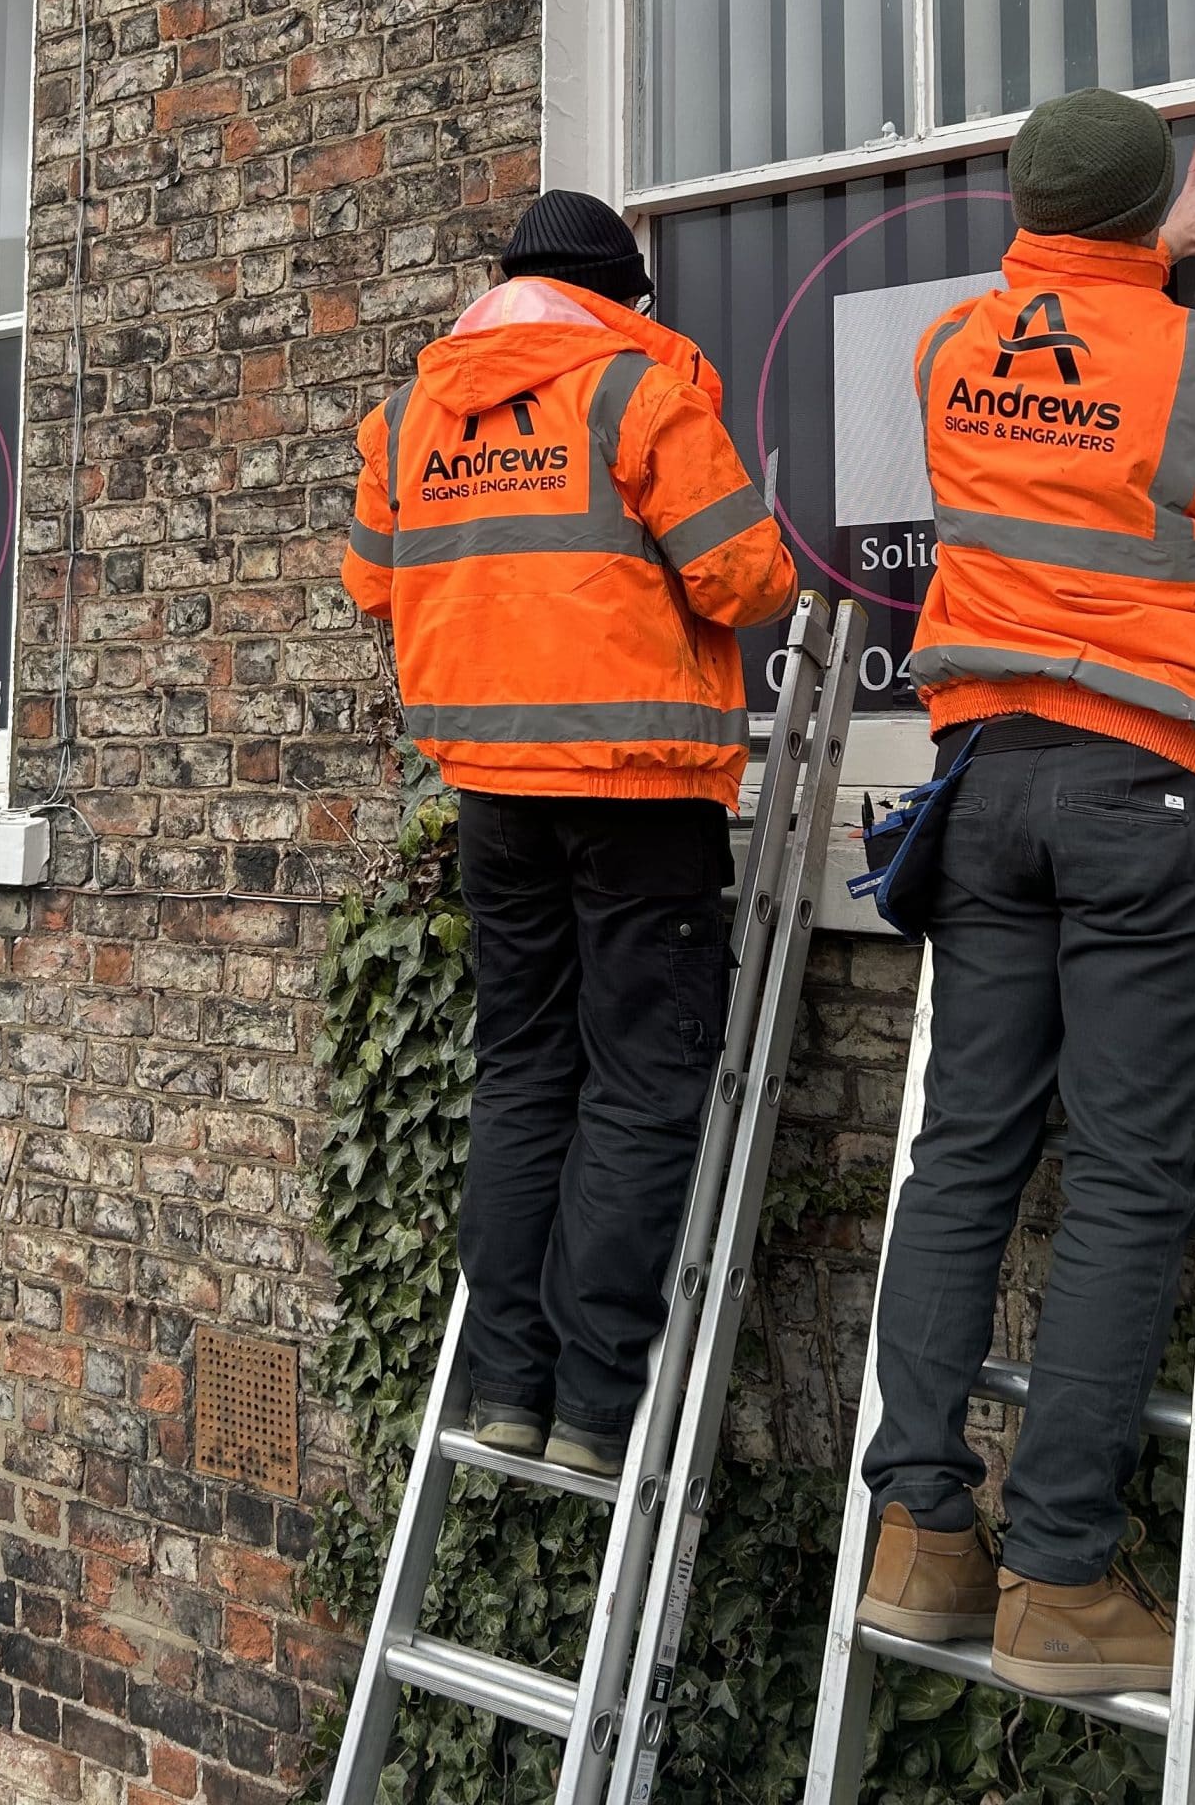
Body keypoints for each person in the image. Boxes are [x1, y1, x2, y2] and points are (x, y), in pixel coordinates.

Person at [856, 91, 1195, 1695]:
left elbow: (1057, 386)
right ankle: (1062, 1577)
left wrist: (1144, 268)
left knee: (964, 1155)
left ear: (1027, 209)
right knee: (1132, 1179)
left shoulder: (948, 352)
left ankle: (922, 1537)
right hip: (1144, 795)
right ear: (1153, 217)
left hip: (984, 780)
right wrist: (1184, 298)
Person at [342, 191, 797, 1476]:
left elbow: (371, 579)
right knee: (644, 1082)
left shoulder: (409, 413)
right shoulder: (636, 392)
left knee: (526, 1069)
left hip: (492, 796)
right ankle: (597, 1405)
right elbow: (746, 579)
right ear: (623, 294)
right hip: (640, 795)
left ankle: (504, 1382)